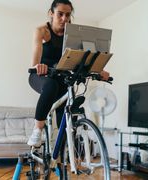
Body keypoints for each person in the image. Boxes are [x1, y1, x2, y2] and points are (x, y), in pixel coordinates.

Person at [27, 0, 110, 147]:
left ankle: (62, 153)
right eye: (60, 14)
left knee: (67, 107)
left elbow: (83, 57)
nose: (64, 19)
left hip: (61, 78)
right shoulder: (42, 31)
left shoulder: (71, 34)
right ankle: (37, 130)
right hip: (40, 76)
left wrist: (99, 70)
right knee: (51, 86)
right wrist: (38, 66)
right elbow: (35, 61)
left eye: (67, 15)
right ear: (51, 14)